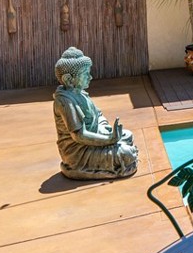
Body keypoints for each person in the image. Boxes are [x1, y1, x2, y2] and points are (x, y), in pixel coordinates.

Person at [52, 47, 138, 180]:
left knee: (128, 135)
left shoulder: (81, 93)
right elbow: (79, 135)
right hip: (78, 150)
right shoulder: (65, 101)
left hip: (93, 137)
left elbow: (98, 115)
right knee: (127, 154)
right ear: (69, 79)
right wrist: (109, 140)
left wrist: (105, 130)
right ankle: (79, 167)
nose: (90, 77)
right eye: (85, 74)